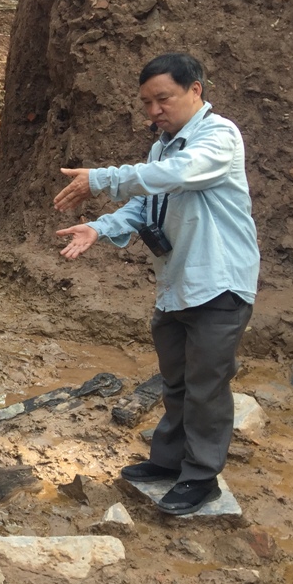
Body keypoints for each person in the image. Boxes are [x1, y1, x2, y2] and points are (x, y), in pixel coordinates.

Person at [54, 52, 260, 516]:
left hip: (219, 283)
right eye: (146, 103)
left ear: (195, 91)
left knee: (207, 385)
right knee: (176, 380)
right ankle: (169, 463)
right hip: (177, 283)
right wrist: (99, 227)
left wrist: (104, 179)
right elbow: (146, 207)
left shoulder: (218, 137)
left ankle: (202, 476)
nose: (153, 112)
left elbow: (177, 177)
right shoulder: (162, 148)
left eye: (162, 99)